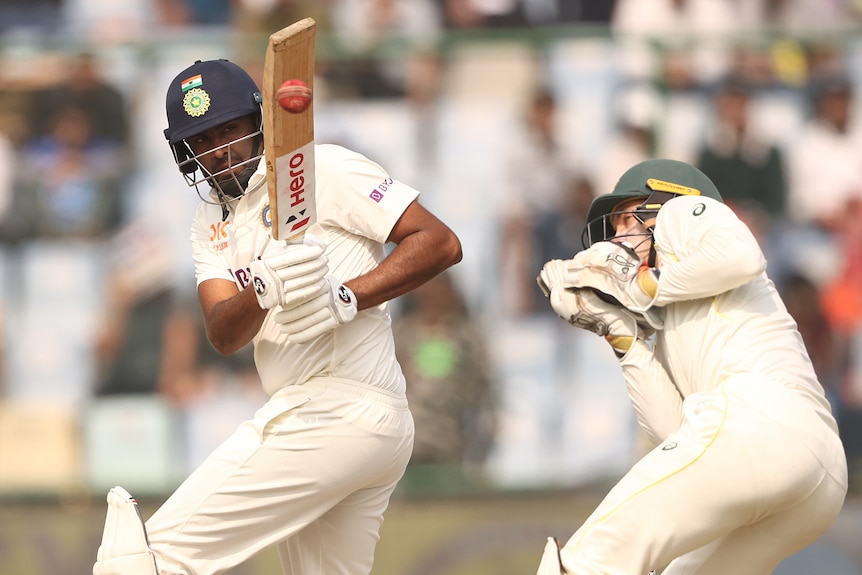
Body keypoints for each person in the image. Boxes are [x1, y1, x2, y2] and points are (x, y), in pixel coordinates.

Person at [92, 58, 462, 575]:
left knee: (137, 563)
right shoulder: (209, 223)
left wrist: (348, 297)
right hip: (331, 418)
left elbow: (439, 242)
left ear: (256, 123)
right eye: (202, 139)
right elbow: (223, 332)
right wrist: (262, 286)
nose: (219, 150)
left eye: (229, 130)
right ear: (185, 151)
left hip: (340, 407)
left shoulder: (321, 168)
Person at [535, 158, 847, 574]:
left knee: (594, 557)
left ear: (663, 199)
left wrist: (642, 284)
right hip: (814, 478)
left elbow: (742, 257)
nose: (616, 237)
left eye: (627, 217)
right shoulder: (671, 316)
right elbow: (680, 435)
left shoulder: (683, 214)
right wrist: (616, 330)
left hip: (763, 417)